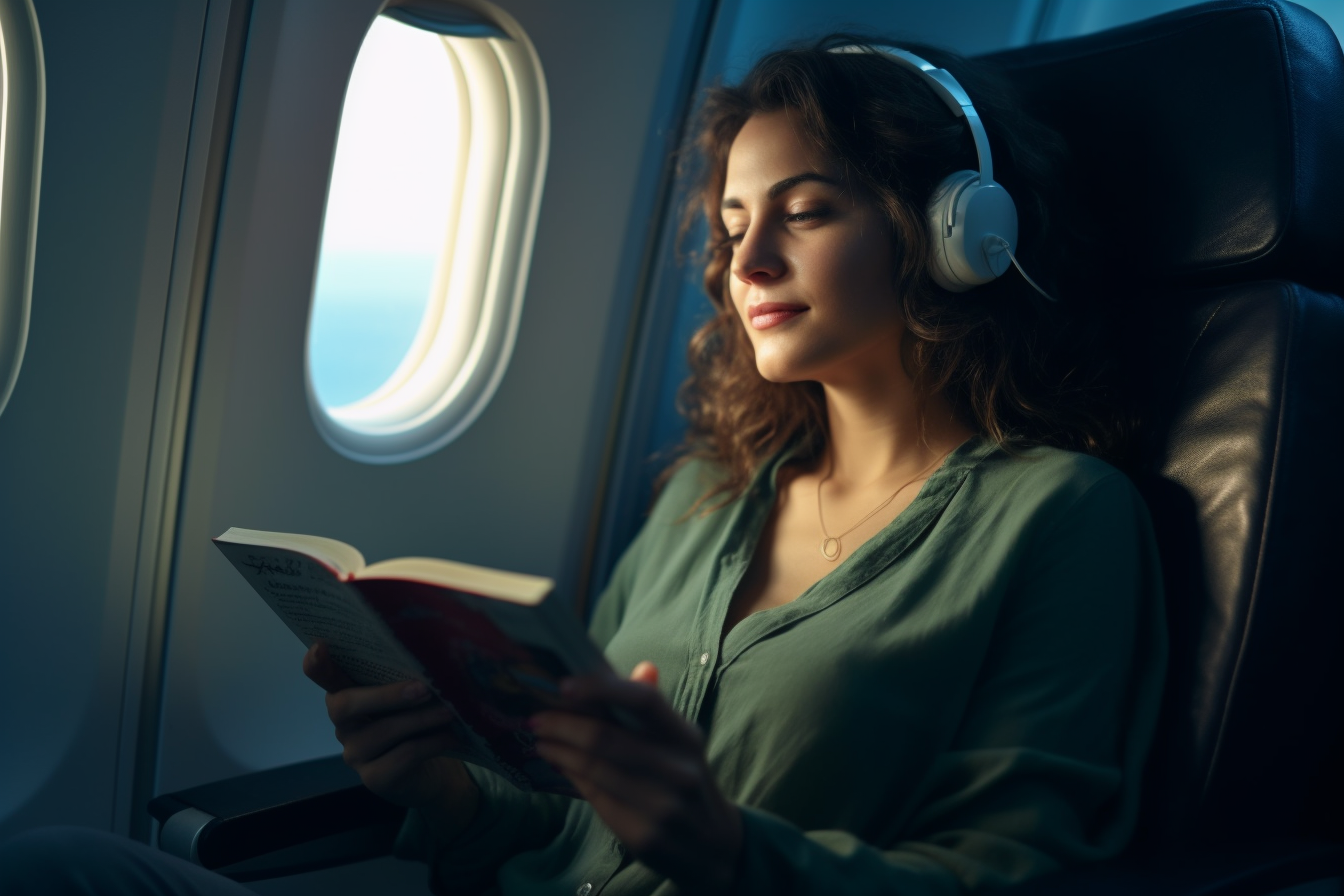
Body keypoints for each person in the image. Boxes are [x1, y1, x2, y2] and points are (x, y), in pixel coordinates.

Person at [0, 35, 1166, 896]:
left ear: (955, 231)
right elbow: (561, 814)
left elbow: (1017, 873)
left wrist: (725, 848)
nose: (746, 256)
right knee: (59, 867)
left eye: (803, 212)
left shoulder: (1062, 519)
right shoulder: (710, 497)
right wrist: (441, 785)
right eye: (732, 222)